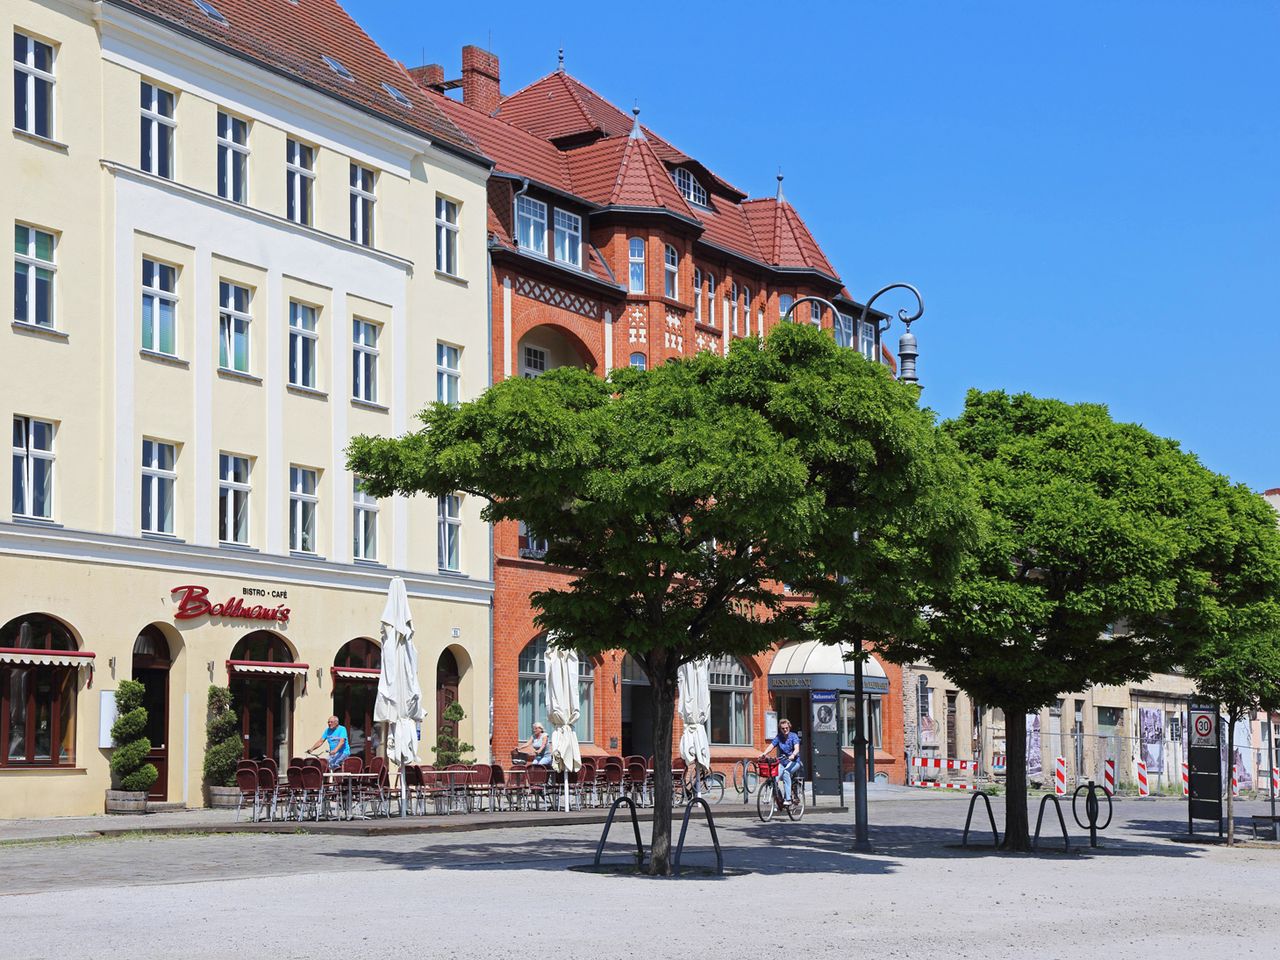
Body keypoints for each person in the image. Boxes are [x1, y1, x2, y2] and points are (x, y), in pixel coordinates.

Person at [762, 718, 802, 808]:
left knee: (786, 773)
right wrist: (764, 753)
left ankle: (788, 799)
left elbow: (797, 748)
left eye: (786, 728)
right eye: (783, 728)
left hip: (794, 761)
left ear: (789, 727)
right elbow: (771, 746)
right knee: (774, 779)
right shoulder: (779, 737)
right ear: (780, 729)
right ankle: (779, 800)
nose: (785, 730)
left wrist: (793, 755)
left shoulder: (793, 736)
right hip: (782, 762)